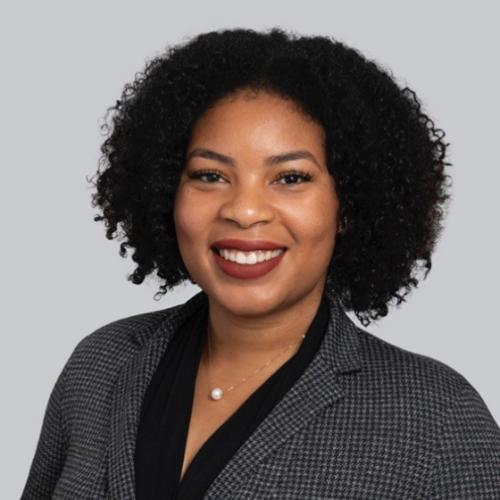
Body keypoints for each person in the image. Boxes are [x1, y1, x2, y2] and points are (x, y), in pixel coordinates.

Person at [22, 27, 500, 499]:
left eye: (290, 178)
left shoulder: (438, 420)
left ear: (348, 206)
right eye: (210, 175)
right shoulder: (100, 364)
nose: (245, 210)